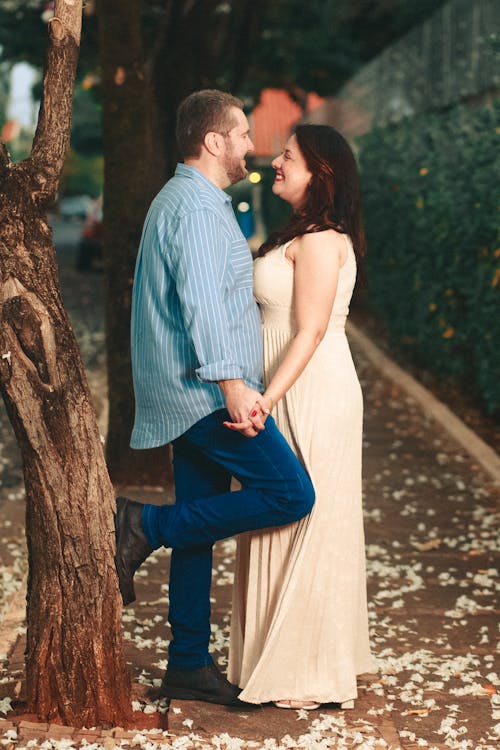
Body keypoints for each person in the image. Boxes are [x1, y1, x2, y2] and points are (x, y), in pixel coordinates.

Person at [114, 90, 315, 708]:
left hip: (194, 389)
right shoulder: (197, 209)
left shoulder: (188, 200)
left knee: (198, 529)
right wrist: (233, 385)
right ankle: (143, 522)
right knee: (290, 493)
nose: (251, 146)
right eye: (244, 135)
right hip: (203, 392)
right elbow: (202, 303)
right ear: (213, 142)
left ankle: (188, 663)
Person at [227, 124, 375, 709]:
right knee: (278, 520)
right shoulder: (300, 233)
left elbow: (310, 329)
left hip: (309, 388)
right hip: (287, 384)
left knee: (303, 521)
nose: (277, 162)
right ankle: (277, 653)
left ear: (323, 173)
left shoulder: (319, 240)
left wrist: (266, 397)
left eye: (289, 156)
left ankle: (306, 666)